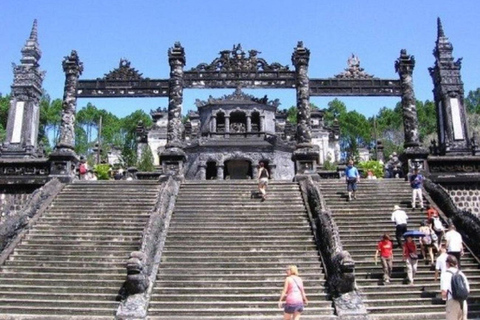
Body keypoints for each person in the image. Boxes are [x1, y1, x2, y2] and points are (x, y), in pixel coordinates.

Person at [441, 255, 470, 320]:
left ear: (447, 264)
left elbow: (444, 292)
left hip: (452, 301)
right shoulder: (461, 273)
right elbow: (468, 290)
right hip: (463, 302)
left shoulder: (445, 274)